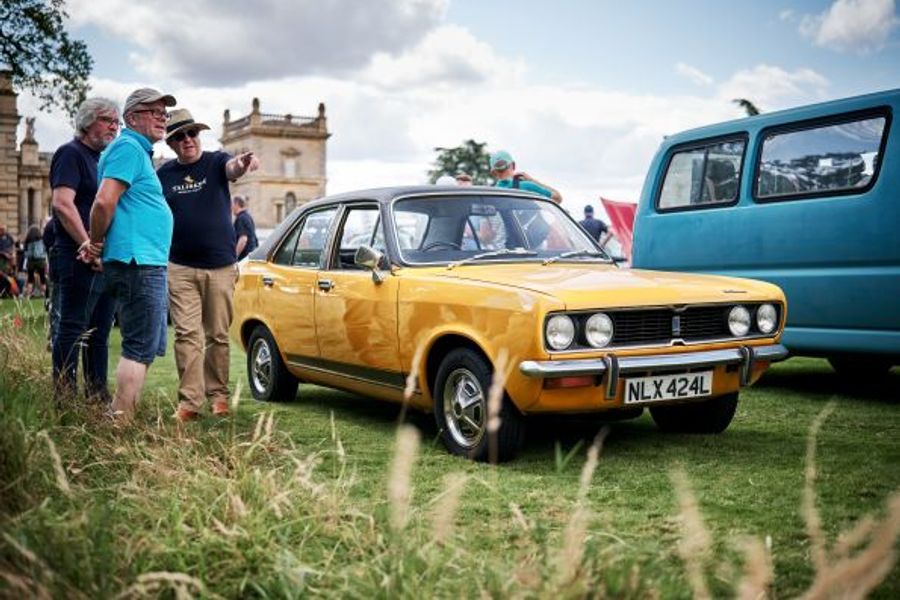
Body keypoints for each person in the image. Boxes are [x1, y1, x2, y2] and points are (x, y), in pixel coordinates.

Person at [156, 108, 259, 421]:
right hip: (180, 267)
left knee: (217, 335)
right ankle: (189, 403)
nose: (187, 140)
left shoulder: (215, 161)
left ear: (198, 135)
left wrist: (242, 163)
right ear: (171, 143)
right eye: (179, 136)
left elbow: (232, 168)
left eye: (192, 133)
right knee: (187, 335)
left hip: (220, 266)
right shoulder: (164, 176)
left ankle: (219, 397)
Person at [86, 87, 177, 421]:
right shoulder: (127, 148)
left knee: (145, 346)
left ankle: (123, 415)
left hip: (142, 261)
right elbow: (103, 202)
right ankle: (120, 422)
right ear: (132, 117)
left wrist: (97, 242)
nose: (162, 119)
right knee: (138, 346)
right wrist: (95, 242)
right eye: (154, 112)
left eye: (164, 114)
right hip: (138, 262)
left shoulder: (133, 150)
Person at [48, 97, 120, 403]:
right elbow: (62, 204)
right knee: (72, 329)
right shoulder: (71, 153)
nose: (114, 128)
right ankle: (64, 398)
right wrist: (88, 245)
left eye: (117, 122)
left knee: (99, 334)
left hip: (105, 260)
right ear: (88, 121)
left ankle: (96, 397)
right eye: (107, 120)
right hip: (77, 257)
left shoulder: (103, 161)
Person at [489, 150, 562, 203]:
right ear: (514, 165)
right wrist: (532, 180)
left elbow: (485, 224)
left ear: (493, 172)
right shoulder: (528, 186)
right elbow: (558, 198)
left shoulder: (490, 196)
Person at [22, 224, 47, 298]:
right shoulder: (41, 239)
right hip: (40, 260)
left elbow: (25, 252)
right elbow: (44, 249)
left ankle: (28, 295)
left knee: (30, 278)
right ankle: (44, 294)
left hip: (31, 261)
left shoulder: (27, 241)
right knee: (42, 278)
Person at [232, 195, 259, 261]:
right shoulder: (247, 216)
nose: (231, 207)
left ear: (236, 204)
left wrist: (235, 256)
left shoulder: (241, 218)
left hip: (244, 257)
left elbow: (243, 239)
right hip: (250, 255)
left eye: (232, 204)